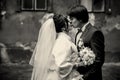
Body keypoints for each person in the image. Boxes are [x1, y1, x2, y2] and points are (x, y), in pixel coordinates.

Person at [29, 14, 82, 80]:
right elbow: (60, 65)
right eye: (68, 22)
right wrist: (76, 65)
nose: (70, 23)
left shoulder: (61, 40)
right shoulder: (63, 42)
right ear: (63, 28)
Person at [67, 5, 105, 80]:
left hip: (91, 77)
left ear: (80, 19)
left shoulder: (95, 33)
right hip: (79, 74)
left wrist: (85, 77)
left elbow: (99, 60)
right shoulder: (78, 32)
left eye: (72, 18)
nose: (70, 21)